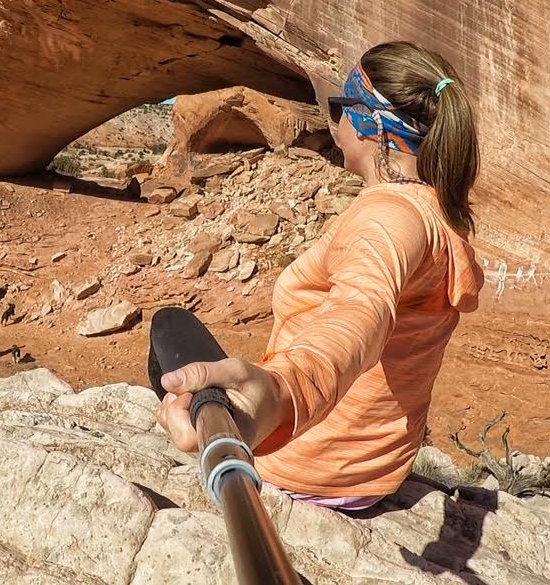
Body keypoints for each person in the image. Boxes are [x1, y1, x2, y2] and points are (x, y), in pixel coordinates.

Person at [154, 42, 484, 512]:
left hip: (307, 466)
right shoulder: (436, 213)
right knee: (170, 329)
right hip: (370, 470)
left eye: (340, 108)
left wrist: (282, 392)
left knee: (168, 338)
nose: (335, 123)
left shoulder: (387, 217)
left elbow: (360, 312)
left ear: (373, 124)